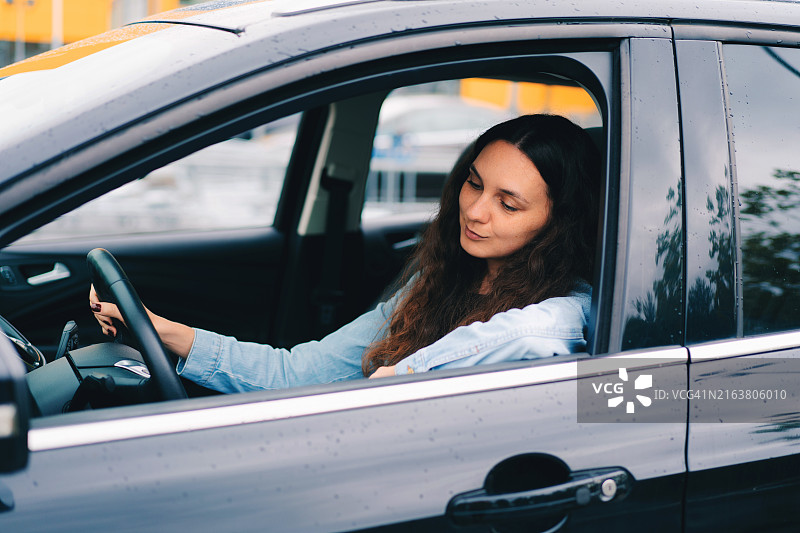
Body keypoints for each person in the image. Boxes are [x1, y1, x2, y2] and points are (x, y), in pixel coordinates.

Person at [90, 114, 601, 393]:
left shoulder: (574, 314)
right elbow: (294, 375)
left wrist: (400, 379)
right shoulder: (437, 281)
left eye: (508, 204)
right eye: (473, 183)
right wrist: (159, 329)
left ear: (558, 224)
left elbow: (547, 338)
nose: (475, 211)